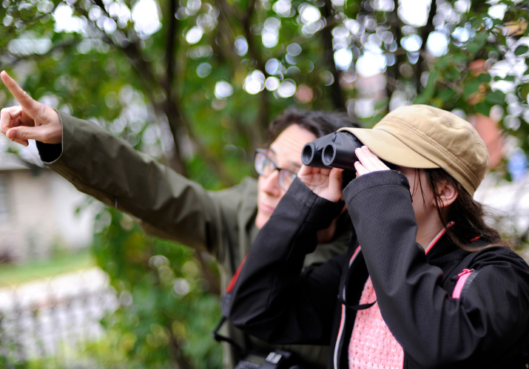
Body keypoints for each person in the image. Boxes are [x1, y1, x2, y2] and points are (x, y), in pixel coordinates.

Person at [0, 70, 360, 368]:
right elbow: (154, 190)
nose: (266, 186)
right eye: (268, 162)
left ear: (338, 193)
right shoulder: (241, 212)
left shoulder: (365, 257)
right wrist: (68, 138)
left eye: (292, 176)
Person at [229, 104, 529, 368]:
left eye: (390, 166)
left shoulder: (500, 277)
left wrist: (381, 205)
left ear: (444, 191)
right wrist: (305, 205)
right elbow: (255, 309)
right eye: (370, 160)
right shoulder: (362, 268)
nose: (369, 174)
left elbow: (442, 346)